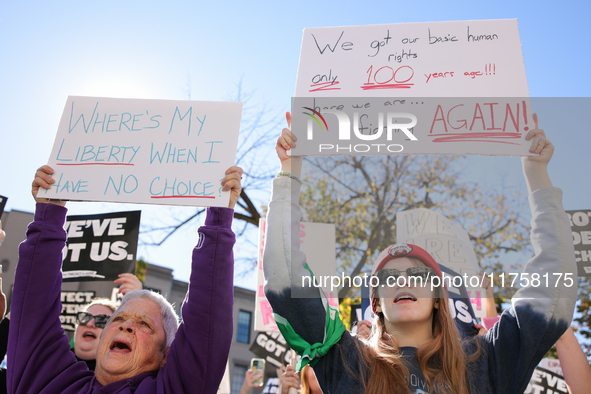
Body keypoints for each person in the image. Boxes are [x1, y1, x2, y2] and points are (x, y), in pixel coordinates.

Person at [263, 113, 577, 393]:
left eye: (418, 275)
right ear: (376, 303)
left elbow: (553, 291)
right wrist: (289, 174)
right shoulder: (346, 361)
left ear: (440, 296)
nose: (404, 281)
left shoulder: (488, 362)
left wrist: (538, 177)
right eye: (389, 277)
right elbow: (283, 274)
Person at [8, 164, 242, 393]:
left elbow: (206, 316)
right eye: (117, 319)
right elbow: (33, 308)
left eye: (144, 324)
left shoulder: (173, 388)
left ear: (166, 355)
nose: (126, 325)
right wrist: (49, 214)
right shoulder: (52, 383)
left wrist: (219, 219)